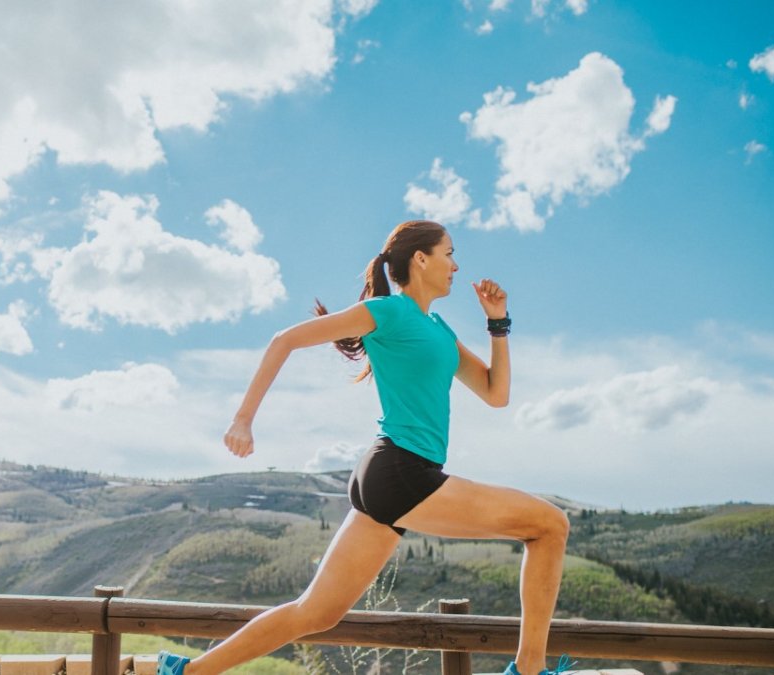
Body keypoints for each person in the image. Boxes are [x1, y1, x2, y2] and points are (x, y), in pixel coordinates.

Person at [157, 220, 571, 675]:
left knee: (316, 612)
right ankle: (529, 670)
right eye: (449, 253)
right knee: (550, 525)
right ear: (421, 259)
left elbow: (496, 394)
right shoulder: (387, 311)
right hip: (402, 470)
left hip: (391, 473)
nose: (456, 266)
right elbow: (285, 340)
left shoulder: (437, 327)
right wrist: (243, 419)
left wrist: (498, 323)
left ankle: (186, 673)